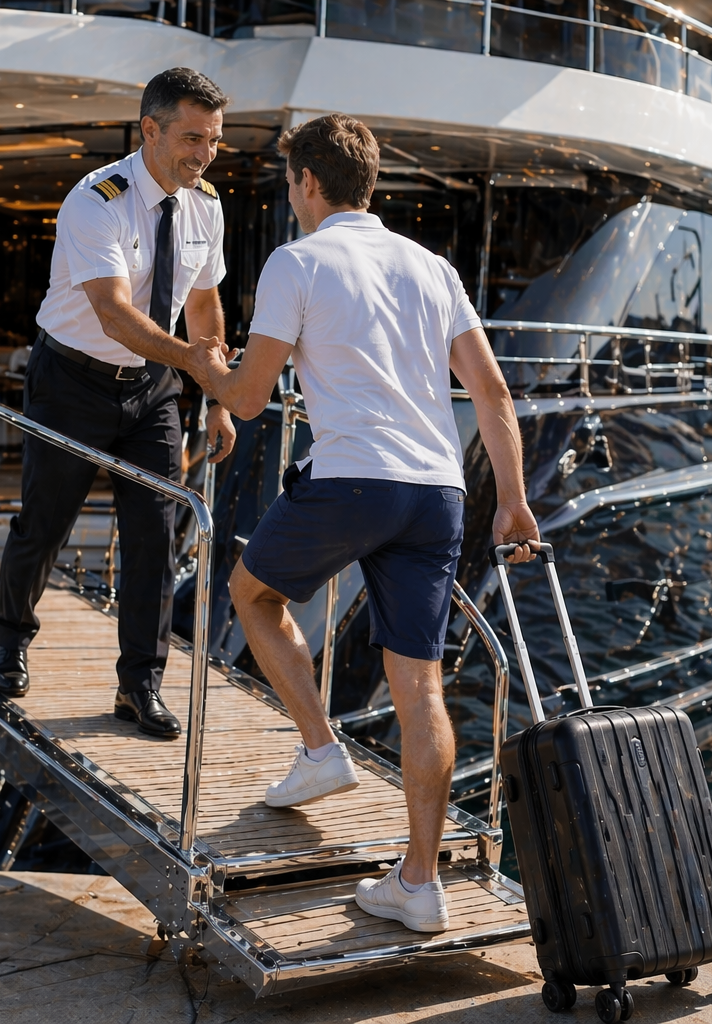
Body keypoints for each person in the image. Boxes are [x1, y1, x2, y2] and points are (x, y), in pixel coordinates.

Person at [193, 113, 540, 932]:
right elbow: (490, 393)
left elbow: (246, 397)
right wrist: (516, 502)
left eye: (289, 184)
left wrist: (204, 365)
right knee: (418, 684)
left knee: (253, 594)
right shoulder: (430, 266)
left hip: (352, 481)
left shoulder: (297, 262)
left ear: (309, 184)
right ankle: (417, 883)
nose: (289, 196)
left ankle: (320, 750)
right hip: (438, 491)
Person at [0, 68, 236, 740]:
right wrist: (194, 364)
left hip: (153, 391)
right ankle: (10, 642)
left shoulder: (206, 205)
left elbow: (205, 303)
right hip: (73, 380)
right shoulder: (97, 199)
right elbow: (114, 315)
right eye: (191, 138)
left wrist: (216, 399)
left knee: (156, 537)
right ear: (149, 129)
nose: (204, 153)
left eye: (213, 141)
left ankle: (139, 686)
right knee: (45, 523)